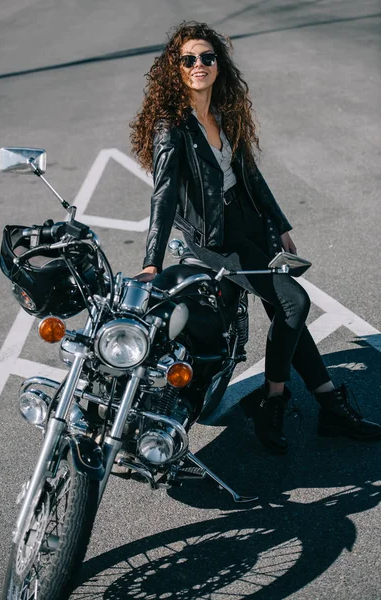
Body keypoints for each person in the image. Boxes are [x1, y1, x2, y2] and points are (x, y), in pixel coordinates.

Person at [130, 21, 381, 454]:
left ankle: (328, 405)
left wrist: (280, 222)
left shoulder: (225, 114)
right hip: (214, 242)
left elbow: (250, 174)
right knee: (294, 303)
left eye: (206, 57)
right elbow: (164, 197)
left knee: (288, 313)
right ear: (176, 68)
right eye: (188, 59)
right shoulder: (173, 127)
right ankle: (273, 397)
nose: (198, 65)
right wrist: (151, 259)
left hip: (249, 227)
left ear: (218, 64)